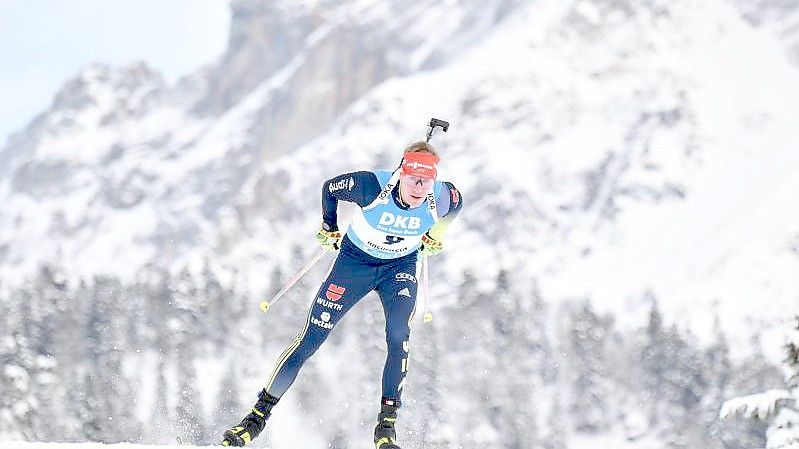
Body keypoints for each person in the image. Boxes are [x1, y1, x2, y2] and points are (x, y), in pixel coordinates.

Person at [222, 142, 463, 448]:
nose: (419, 188)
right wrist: (329, 226)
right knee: (311, 338)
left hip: (399, 269)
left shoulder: (443, 196)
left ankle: (386, 427)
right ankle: (254, 420)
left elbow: (455, 206)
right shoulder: (371, 186)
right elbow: (330, 188)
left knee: (399, 335)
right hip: (355, 265)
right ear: (401, 173)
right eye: (413, 179)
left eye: (426, 181)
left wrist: (435, 236)